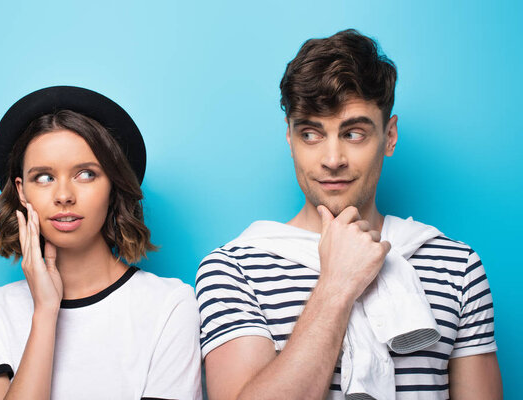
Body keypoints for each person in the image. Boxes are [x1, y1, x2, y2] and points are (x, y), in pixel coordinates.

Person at [195, 30, 502, 399]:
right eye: (311, 133)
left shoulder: (457, 267)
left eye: (354, 133)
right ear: (290, 140)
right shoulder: (233, 270)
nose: (332, 159)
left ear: (389, 137)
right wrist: (336, 285)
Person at [0, 86, 202, 400]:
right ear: (21, 191)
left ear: (112, 184)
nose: (64, 196)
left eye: (85, 174)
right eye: (44, 177)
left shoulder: (170, 305)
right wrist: (45, 312)